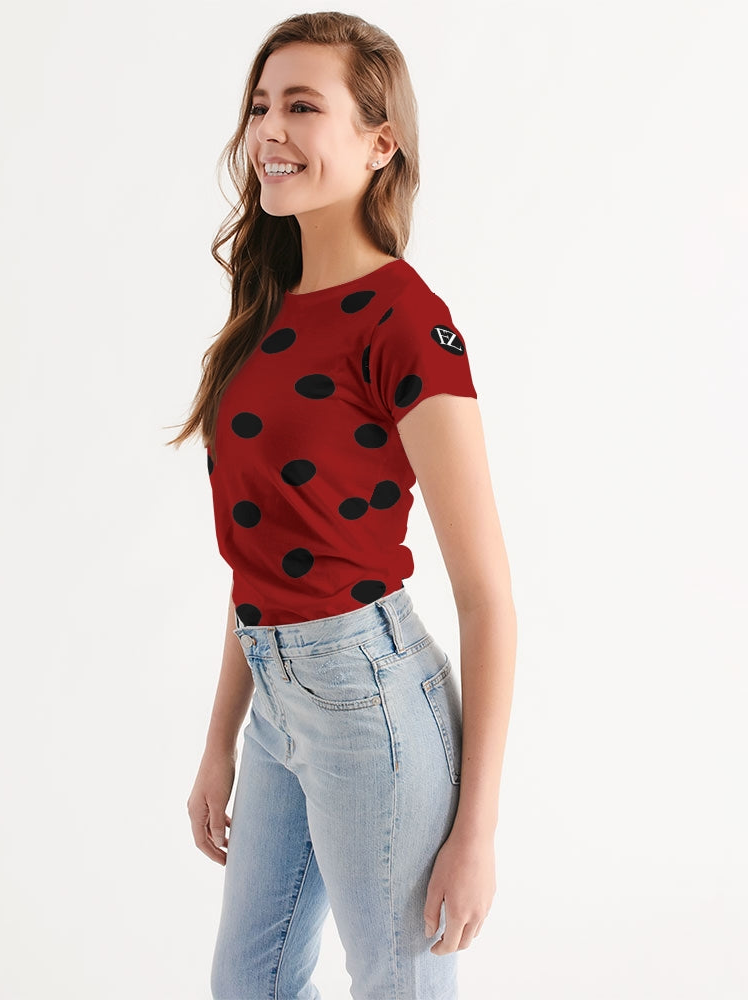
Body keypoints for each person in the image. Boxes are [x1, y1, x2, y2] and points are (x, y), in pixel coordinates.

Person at [168, 12, 517, 999]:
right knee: (249, 984)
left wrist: (477, 831)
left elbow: (488, 598)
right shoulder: (262, 319)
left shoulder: (407, 322)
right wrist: (219, 741)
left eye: (302, 106)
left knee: (401, 986)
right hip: (275, 703)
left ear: (379, 144)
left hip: (372, 705)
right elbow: (262, 559)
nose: (269, 130)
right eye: (259, 106)